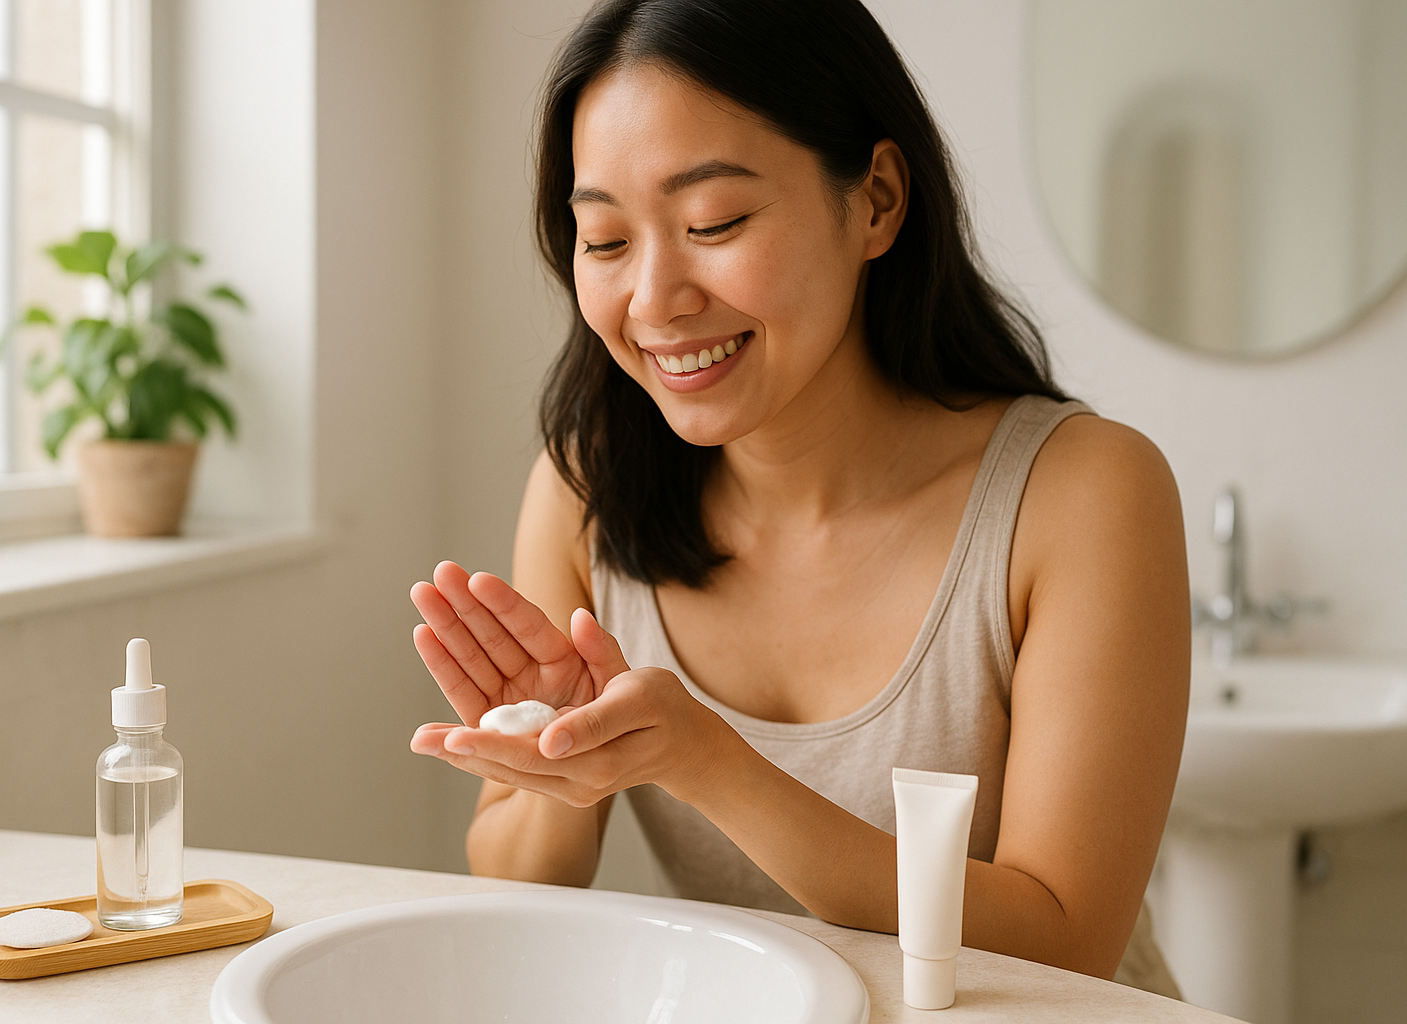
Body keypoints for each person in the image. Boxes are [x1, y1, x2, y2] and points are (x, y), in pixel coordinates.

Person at [408, 0, 1188, 995]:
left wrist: (708, 762)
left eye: (713, 223)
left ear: (877, 200)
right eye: (604, 239)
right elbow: (519, 876)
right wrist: (566, 751)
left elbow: (1062, 940)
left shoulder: (1082, 494)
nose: (654, 298)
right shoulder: (586, 488)